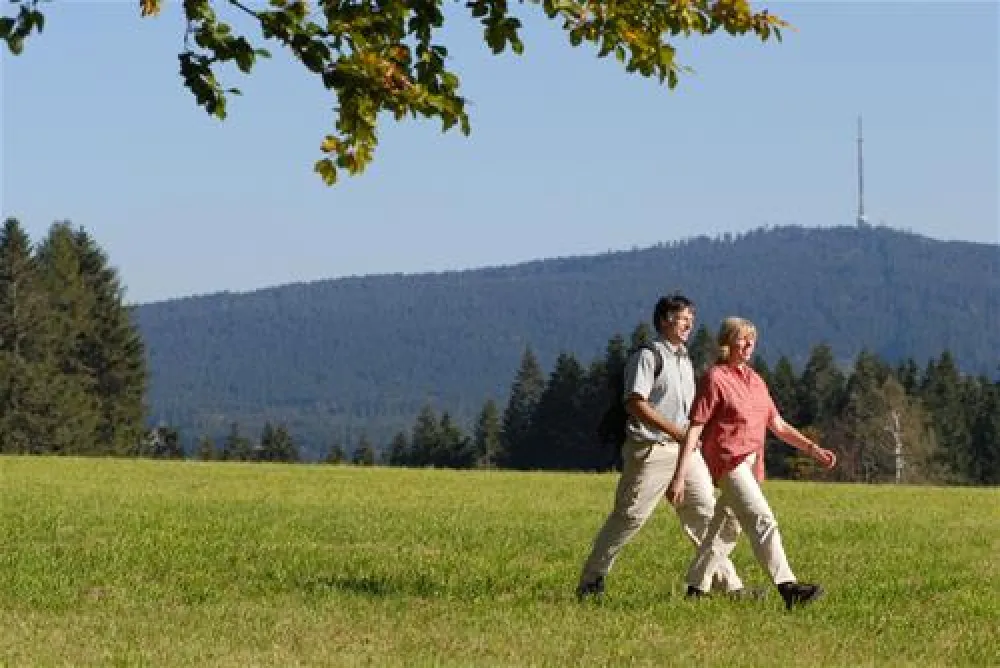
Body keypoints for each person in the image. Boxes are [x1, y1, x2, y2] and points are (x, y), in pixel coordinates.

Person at [577, 294, 749, 600]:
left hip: (686, 451)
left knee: (705, 517)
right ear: (664, 321)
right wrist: (678, 432)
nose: (689, 325)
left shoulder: (684, 358)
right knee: (630, 516)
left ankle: (730, 587)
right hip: (651, 450)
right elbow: (635, 402)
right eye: (683, 319)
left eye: (691, 320)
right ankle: (592, 580)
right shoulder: (647, 356)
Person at [666, 316, 837, 610]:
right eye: (741, 338)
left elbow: (778, 425)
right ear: (726, 343)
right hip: (727, 462)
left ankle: (696, 589)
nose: (748, 344)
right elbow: (695, 428)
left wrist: (812, 449)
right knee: (763, 519)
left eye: (751, 339)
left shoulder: (756, 381)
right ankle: (788, 588)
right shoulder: (714, 379)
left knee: (725, 529)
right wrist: (679, 476)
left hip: (752, 465)